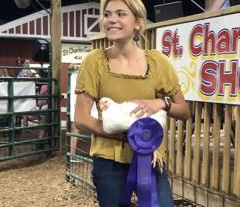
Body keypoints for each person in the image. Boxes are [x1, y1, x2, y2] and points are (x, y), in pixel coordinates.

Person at [74, 0, 191, 206]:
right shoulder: (94, 62)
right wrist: (127, 135)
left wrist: (161, 103)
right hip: (109, 162)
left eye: (120, 14)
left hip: (152, 158)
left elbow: (183, 110)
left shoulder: (158, 62)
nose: (112, 20)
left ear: (137, 22)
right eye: (107, 14)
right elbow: (81, 119)